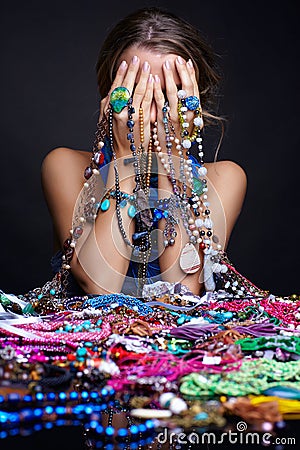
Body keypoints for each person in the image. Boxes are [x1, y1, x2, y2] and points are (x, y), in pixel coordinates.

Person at [41, 6, 247, 299]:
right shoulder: (65, 167)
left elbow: (182, 290)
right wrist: (125, 159)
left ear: (194, 101)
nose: (153, 112)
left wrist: (170, 156)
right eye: (136, 91)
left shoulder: (225, 178)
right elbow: (100, 288)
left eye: (170, 94)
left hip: (180, 344)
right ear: (110, 93)